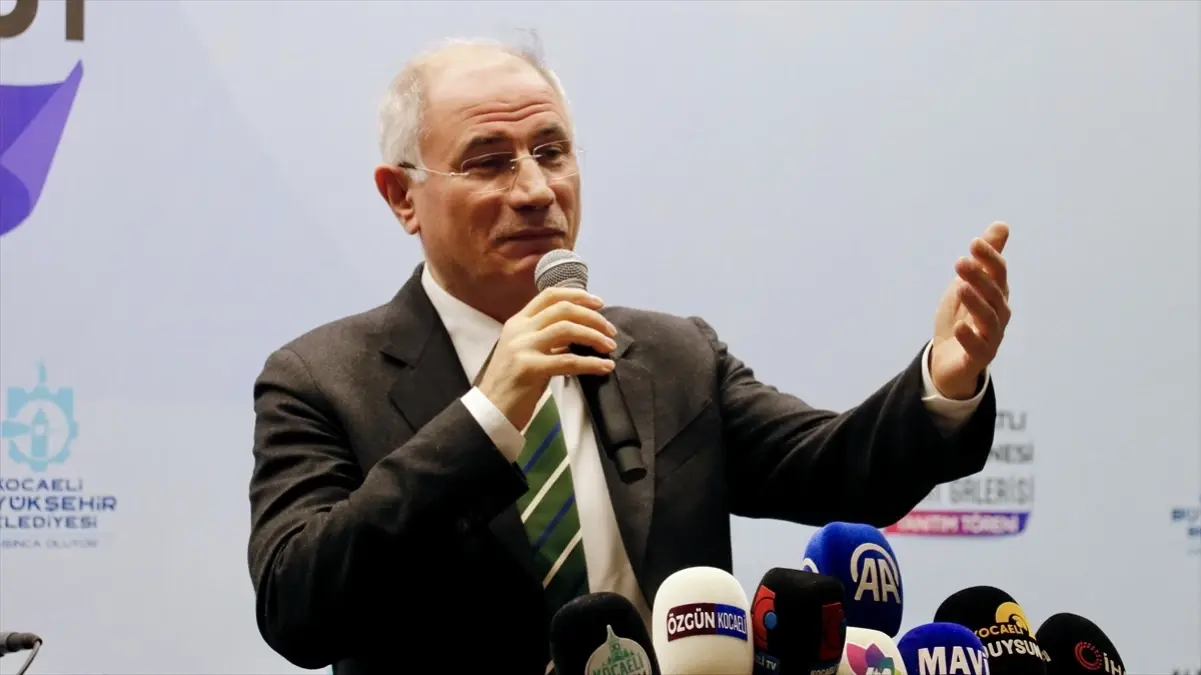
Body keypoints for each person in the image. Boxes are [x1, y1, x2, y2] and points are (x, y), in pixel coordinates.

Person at [246, 39, 1011, 675]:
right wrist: (486, 415)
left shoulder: (672, 357)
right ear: (401, 196)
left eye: (551, 151)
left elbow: (836, 468)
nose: (535, 189)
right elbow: (297, 605)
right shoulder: (320, 381)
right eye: (489, 162)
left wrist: (944, 381)